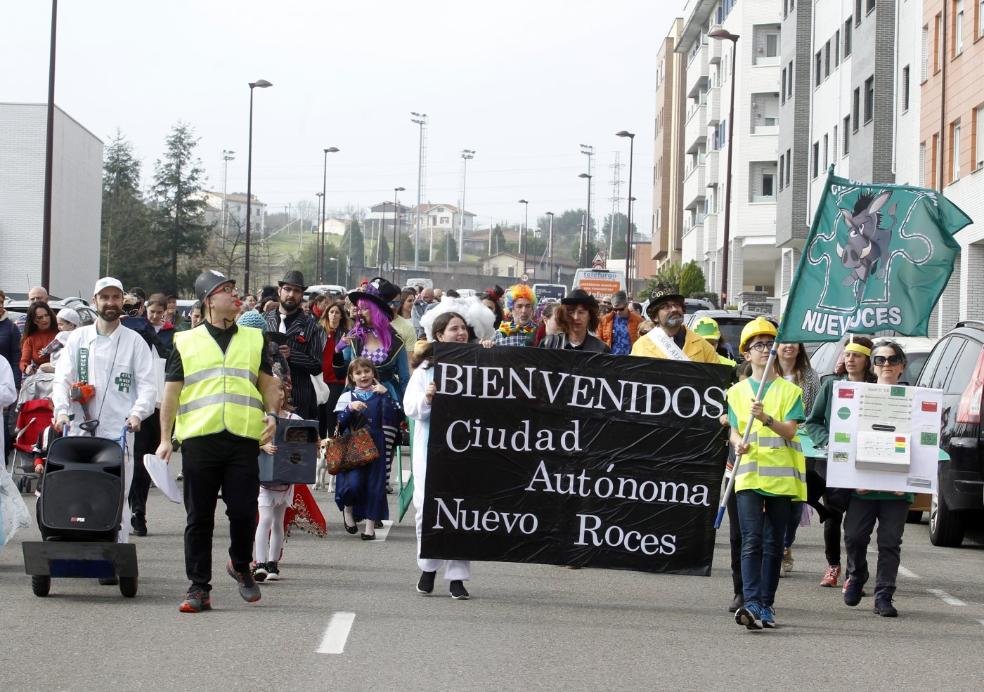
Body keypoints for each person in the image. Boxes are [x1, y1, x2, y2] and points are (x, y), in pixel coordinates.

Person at [156, 269, 280, 613]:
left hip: (243, 437)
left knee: (243, 512)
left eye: (235, 290)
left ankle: (240, 565)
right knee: (199, 517)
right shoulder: (185, 341)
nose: (235, 296)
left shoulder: (255, 339)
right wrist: (165, 439)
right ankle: (199, 587)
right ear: (209, 300)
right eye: (227, 291)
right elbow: (171, 394)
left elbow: (268, 383)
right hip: (199, 439)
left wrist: (272, 415)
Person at [51, 277, 158, 554]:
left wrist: (137, 415)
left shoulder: (135, 342)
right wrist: (62, 412)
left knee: (116, 494)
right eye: (105, 297)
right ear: (95, 300)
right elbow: (62, 380)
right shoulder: (78, 339)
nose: (110, 303)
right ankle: (77, 547)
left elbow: (148, 387)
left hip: (117, 431)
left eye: (115, 297)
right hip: (79, 431)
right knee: (78, 491)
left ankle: (115, 554)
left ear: (123, 301)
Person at [728, 318, 807, 630]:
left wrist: (767, 418)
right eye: (757, 345)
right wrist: (738, 444)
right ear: (747, 353)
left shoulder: (790, 391)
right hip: (748, 475)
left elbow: (790, 430)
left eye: (768, 344)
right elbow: (734, 432)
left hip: (781, 478)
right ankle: (750, 603)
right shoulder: (735, 392)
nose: (764, 349)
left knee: (774, 543)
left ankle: (766, 604)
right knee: (751, 540)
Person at [405, 311, 476, 600]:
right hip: (430, 449)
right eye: (453, 328)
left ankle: (457, 576)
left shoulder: (478, 365)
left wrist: (491, 355)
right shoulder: (424, 371)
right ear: (439, 336)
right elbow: (410, 408)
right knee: (427, 511)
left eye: (463, 328)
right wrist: (428, 399)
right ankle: (428, 567)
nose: (461, 333)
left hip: (466, 449)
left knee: (460, 511)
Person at [841, 341, 913, 617]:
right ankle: (857, 575)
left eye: (892, 360)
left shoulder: (913, 397)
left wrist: (908, 482)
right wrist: (851, 476)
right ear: (873, 365)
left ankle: (884, 594)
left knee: (889, 541)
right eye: (880, 360)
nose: (886, 365)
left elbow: (923, 442)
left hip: (896, 489)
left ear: (902, 366)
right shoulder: (858, 396)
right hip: (864, 486)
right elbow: (844, 436)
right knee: (855, 537)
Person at [804, 335, 877, 588]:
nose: (850, 359)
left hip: (865, 465)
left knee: (858, 525)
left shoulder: (876, 387)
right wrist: (828, 442)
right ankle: (833, 566)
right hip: (834, 464)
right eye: (847, 354)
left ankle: (856, 574)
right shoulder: (831, 386)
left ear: (868, 360)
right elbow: (813, 422)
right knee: (833, 516)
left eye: (856, 355)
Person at [341, 278, 410, 491]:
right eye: (357, 309)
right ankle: (359, 490)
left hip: (386, 397)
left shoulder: (395, 340)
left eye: (364, 309)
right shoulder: (354, 337)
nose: (359, 313)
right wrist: (341, 346)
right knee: (356, 447)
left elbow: (405, 377)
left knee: (384, 447)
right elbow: (341, 364)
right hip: (357, 397)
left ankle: (380, 486)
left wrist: (408, 407)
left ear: (376, 310)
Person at [334, 358, 401, 539]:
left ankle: (369, 528)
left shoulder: (382, 394)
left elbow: (394, 418)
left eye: (367, 371)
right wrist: (350, 408)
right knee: (352, 484)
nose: (363, 376)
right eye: (358, 373)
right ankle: (348, 511)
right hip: (353, 444)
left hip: (377, 444)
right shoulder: (347, 396)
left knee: (375, 485)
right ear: (351, 377)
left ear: (373, 373)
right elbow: (339, 424)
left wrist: (387, 395)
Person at [262, 270, 325, 422]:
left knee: (296, 444)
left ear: (301, 295)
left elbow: (317, 365)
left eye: (296, 291)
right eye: (287, 289)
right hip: (265, 395)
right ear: (279, 291)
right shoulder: (263, 320)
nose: (291, 294)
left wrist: (292, 355)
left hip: (298, 399)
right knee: (266, 443)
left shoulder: (312, 326)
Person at [252, 377, 297, 583]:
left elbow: (305, 442)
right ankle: (259, 563)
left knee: (279, 522)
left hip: (285, 479)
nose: (277, 395)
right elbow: (249, 441)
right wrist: (262, 446)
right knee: (266, 519)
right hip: (264, 479)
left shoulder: (294, 418)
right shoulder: (257, 417)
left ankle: (273, 564)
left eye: (280, 391)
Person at [630, 284, 718, 362]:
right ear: (655, 317)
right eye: (666, 307)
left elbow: (717, 378)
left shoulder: (703, 346)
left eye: (676, 305)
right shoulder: (641, 346)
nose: (674, 309)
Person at [317, 300, 350, 438]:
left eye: (337, 312)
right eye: (331, 312)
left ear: (341, 316)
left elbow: (347, 360)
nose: (334, 315)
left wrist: (341, 347)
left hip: (337, 380)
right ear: (327, 314)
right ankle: (320, 451)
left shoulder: (345, 334)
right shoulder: (319, 332)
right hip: (320, 379)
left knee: (331, 415)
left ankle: (332, 450)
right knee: (320, 417)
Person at [539, 290, 610, 353]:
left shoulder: (601, 350)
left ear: (590, 316)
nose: (576, 317)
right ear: (564, 315)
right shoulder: (549, 343)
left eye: (581, 312)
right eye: (571, 312)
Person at [598, 290, 643, 355]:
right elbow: (599, 340)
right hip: (610, 360)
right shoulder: (605, 320)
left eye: (621, 309)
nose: (618, 312)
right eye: (615, 309)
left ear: (627, 305)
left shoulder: (638, 321)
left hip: (631, 361)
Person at [19, 302, 59, 375]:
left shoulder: (61, 333)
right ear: (34, 321)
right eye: (40, 317)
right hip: (42, 379)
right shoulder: (30, 339)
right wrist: (27, 368)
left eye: (46, 315)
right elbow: (24, 361)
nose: (45, 319)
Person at [392, 288, 419, 352]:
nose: (412, 303)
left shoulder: (418, 319)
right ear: (402, 302)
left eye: (413, 300)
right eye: (409, 301)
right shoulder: (396, 321)